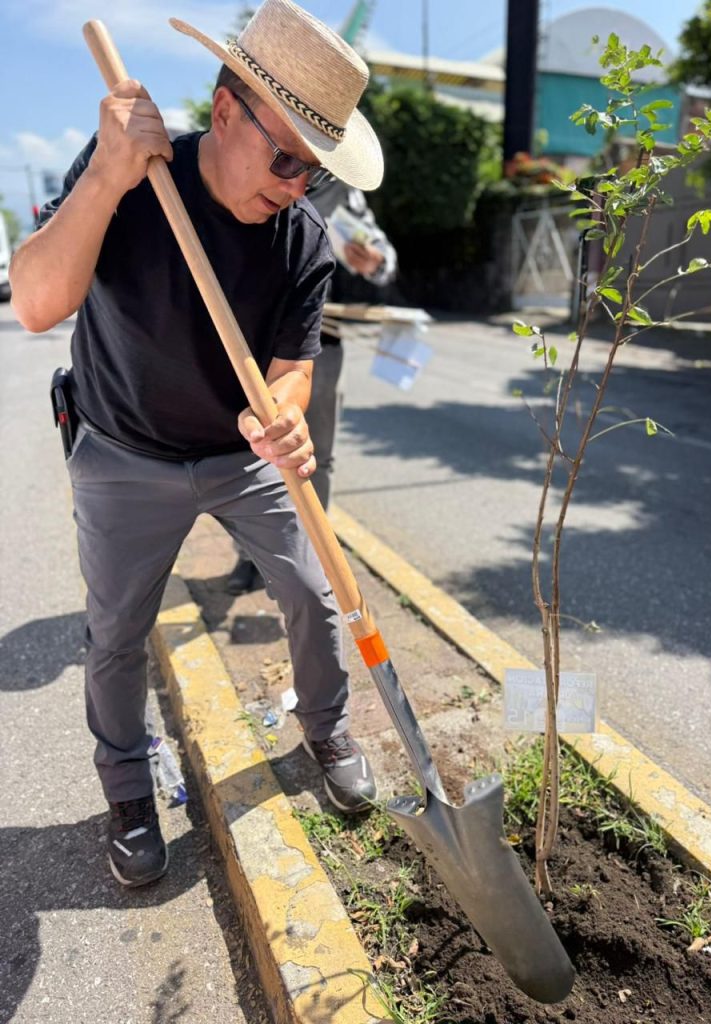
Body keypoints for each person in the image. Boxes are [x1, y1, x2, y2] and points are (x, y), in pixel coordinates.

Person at [9, 0, 383, 889]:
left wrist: (282, 415)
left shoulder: (302, 240)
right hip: (122, 453)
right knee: (115, 632)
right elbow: (34, 303)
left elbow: (293, 370)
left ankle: (327, 728)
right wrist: (105, 178)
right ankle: (128, 790)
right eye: (285, 158)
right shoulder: (130, 174)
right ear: (224, 112)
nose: (296, 185)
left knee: (313, 590)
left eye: (314, 169)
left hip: (240, 459)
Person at [227, 174, 397, 594]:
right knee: (253, 450)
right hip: (255, 340)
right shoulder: (258, 170)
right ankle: (249, 558)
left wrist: (373, 261)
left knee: (315, 452)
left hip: (322, 340)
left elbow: (382, 255)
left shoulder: (342, 191)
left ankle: (314, 553)